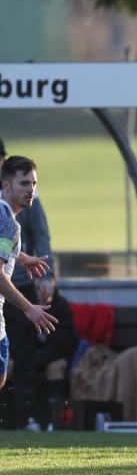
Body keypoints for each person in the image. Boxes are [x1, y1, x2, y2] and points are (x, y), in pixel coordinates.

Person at [0, 156, 57, 392]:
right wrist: (29, 308)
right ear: (5, 186)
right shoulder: (7, 222)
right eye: (24, 183)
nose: (31, 190)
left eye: (34, 184)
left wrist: (21, 257)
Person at [7, 273, 78, 429]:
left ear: (54, 284)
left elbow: (65, 340)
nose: (43, 289)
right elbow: (20, 337)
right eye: (39, 285)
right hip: (31, 355)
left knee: (53, 368)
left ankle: (55, 420)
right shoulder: (25, 307)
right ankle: (22, 421)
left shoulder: (60, 306)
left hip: (55, 355)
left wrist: (36, 357)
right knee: (17, 367)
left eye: (47, 283)